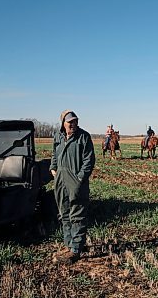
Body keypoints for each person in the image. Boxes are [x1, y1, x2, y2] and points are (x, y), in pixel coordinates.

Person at [50, 110, 96, 264]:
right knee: (64, 213)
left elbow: (89, 161)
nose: (73, 124)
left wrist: (80, 178)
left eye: (75, 121)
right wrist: (53, 169)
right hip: (60, 180)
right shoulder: (57, 136)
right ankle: (68, 244)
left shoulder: (84, 137)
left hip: (76, 181)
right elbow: (54, 155)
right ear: (63, 123)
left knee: (77, 214)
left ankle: (76, 249)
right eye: (70, 122)